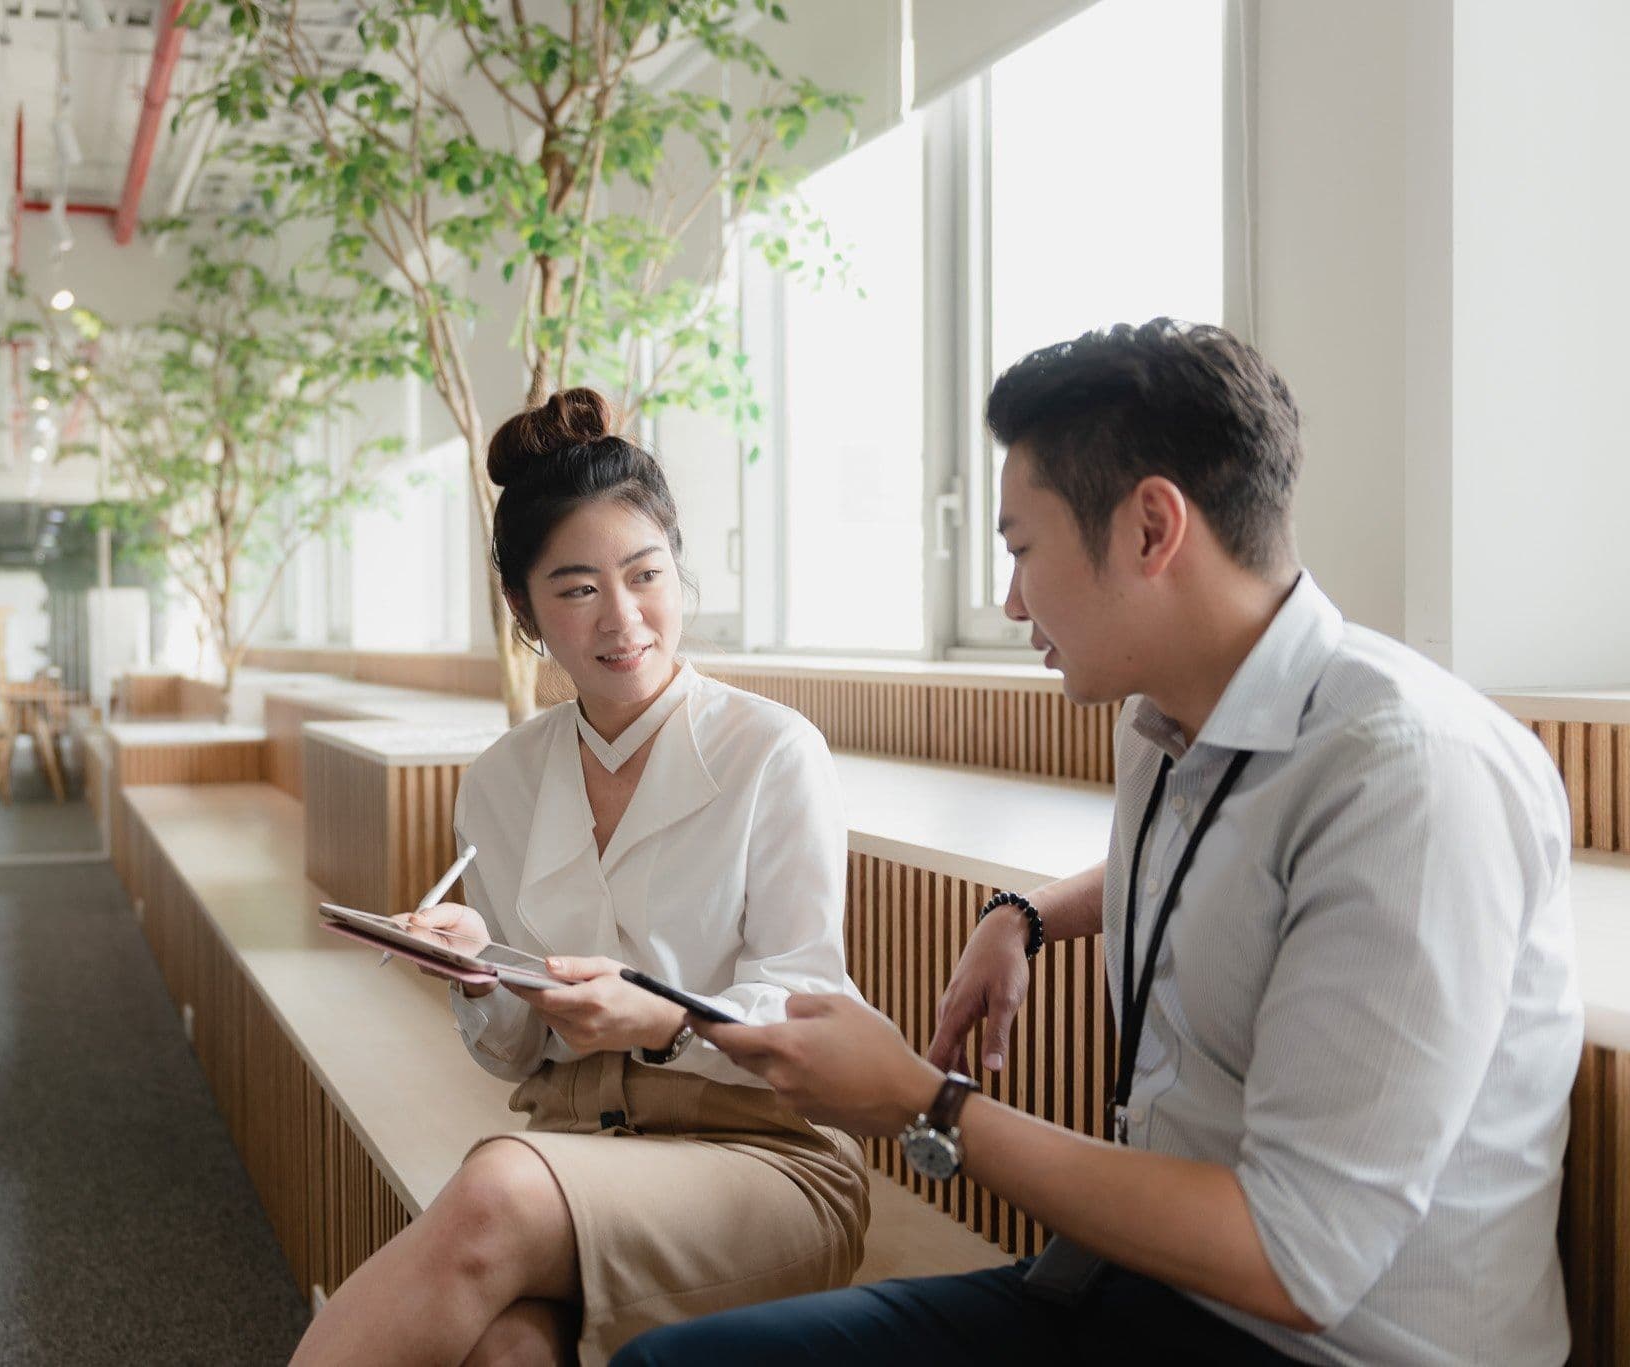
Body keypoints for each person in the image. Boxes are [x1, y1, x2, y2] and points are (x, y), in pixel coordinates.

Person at [612, 320, 1583, 1366]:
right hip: (1146, 1296)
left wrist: (917, 1097)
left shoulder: (1409, 776)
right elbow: (1216, 863)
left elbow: (1297, 1259)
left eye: (1022, 548)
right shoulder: (1173, 719)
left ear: (1149, 528)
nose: (1008, 599)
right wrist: (1021, 913)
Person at [290, 388, 871, 1367]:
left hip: (760, 1157)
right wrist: (485, 968)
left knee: (494, 1186)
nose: (622, 617)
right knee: (506, 1351)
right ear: (523, 611)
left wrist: (663, 1018)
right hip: (577, 1143)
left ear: (676, 571)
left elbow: (808, 1001)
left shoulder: (771, 750)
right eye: (575, 588)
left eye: (644, 574)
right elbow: (515, 1057)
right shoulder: (503, 778)